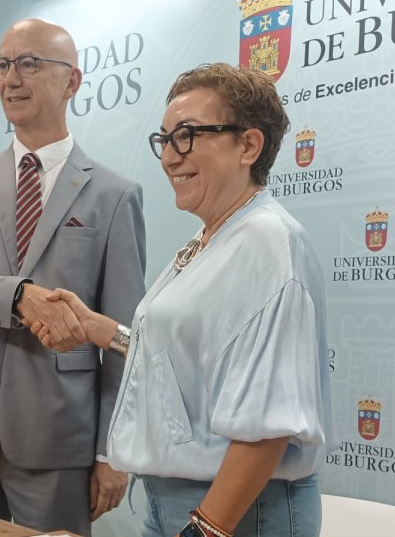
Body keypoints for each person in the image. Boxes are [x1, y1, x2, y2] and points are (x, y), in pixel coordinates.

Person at [33, 62, 334, 537]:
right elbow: (196, 363)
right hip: (178, 502)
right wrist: (100, 330)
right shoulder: (213, 238)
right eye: (165, 139)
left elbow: (269, 424)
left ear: (249, 146)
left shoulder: (268, 242)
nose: (170, 156)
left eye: (188, 135)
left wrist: (205, 528)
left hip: (235, 513)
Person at [0, 19, 147, 536]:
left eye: (29, 63)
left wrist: (111, 450)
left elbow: (122, 334)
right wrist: (19, 297)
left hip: (57, 433)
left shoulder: (115, 195)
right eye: (3, 64)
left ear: (72, 82)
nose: (11, 78)